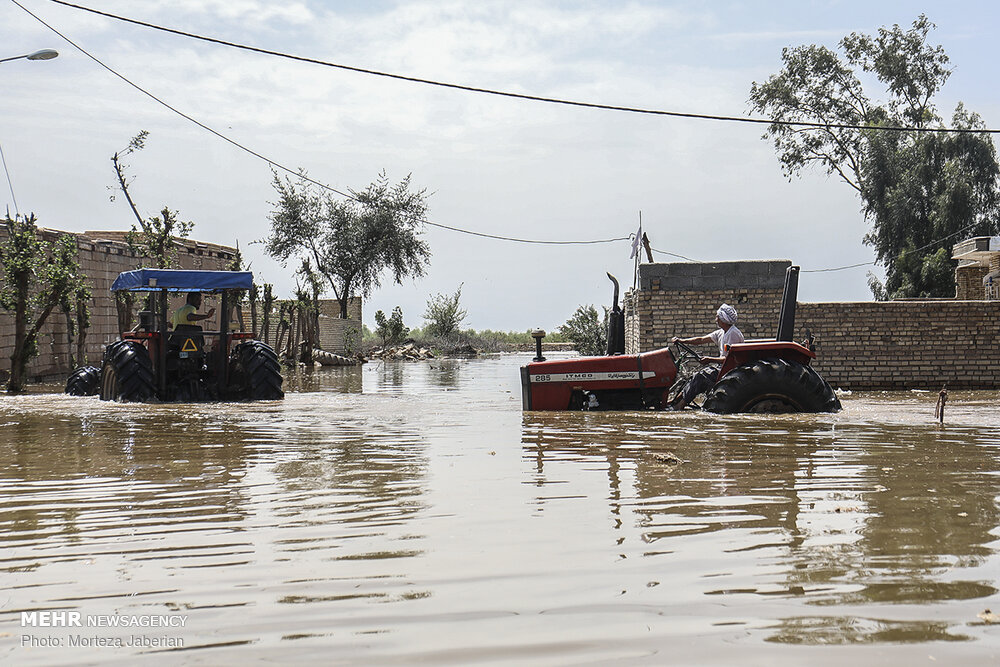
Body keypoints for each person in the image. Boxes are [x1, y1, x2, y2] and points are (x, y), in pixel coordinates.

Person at [667, 303, 744, 410]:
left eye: (717, 317)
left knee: (700, 377)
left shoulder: (733, 334)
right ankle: (674, 400)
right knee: (694, 376)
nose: (716, 319)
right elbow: (701, 340)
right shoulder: (722, 332)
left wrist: (709, 359)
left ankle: (680, 406)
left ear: (723, 319)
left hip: (729, 369)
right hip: (721, 367)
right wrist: (681, 341)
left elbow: (730, 359)